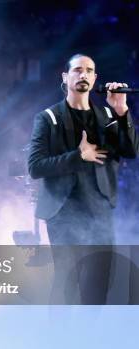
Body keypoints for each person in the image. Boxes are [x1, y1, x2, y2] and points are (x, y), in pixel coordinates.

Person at [28, 54, 137, 304]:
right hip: (64, 212)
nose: (83, 74)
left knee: (99, 285)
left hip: (100, 212)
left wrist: (121, 111)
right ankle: (61, 341)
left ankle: (86, 340)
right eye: (77, 70)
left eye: (89, 70)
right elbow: (35, 166)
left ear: (95, 78)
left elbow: (130, 151)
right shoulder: (47, 118)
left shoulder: (108, 116)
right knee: (67, 284)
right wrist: (78, 156)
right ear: (65, 77)